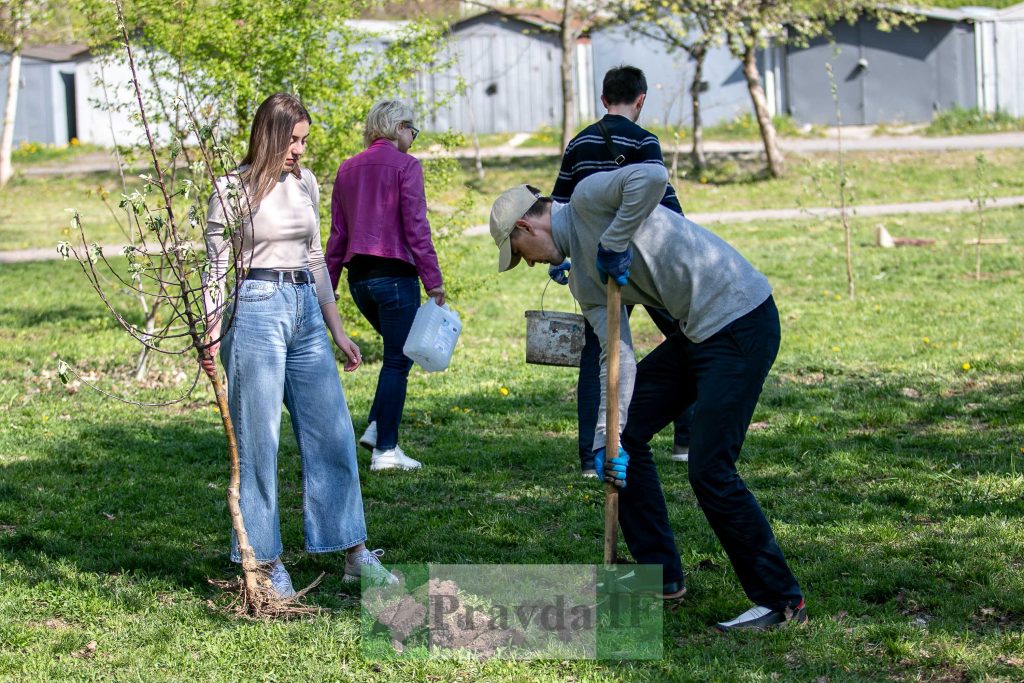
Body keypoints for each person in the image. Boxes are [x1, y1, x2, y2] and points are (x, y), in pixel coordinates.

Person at [488, 165, 806, 631]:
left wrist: (615, 240)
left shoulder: (590, 198)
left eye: (521, 253)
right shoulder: (583, 282)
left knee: (711, 469)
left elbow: (653, 177)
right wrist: (604, 436)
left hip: (740, 317)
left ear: (526, 225)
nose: (531, 264)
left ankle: (782, 602)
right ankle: (661, 577)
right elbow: (615, 357)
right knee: (625, 436)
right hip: (696, 335)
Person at [202, 92, 395, 598]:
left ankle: (353, 551)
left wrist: (338, 329)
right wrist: (208, 329)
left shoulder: (305, 183)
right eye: (293, 140)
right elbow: (216, 267)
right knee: (258, 441)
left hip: (307, 309)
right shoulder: (231, 190)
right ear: (269, 135)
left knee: (332, 430)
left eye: (304, 140)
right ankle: (264, 561)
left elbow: (314, 258)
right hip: (255, 309)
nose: (300, 151)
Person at [549, 65, 694, 476]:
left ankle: (589, 456)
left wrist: (562, 257)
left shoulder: (579, 142)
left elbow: (560, 204)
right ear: (641, 99)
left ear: (602, 99)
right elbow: (664, 204)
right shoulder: (644, 141)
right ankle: (685, 439)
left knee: (599, 353)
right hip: (646, 266)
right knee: (686, 339)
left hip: (594, 266)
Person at [326, 100, 445, 472]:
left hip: (360, 280)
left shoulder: (347, 169)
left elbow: (337, 236)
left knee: (398, 352)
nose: (414, 137)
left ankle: (378, 428)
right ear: (398, 128)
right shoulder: (407, 166)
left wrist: (326, 290)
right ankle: (386, 451)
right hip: (396, 277)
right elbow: (416, 227)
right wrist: (434, 281)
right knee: (398, 359)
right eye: (413, 129)